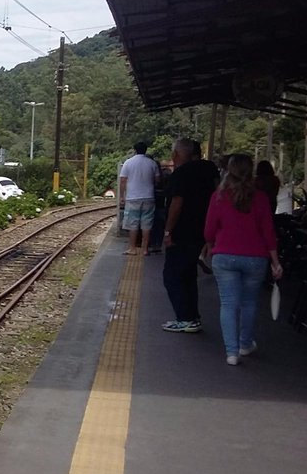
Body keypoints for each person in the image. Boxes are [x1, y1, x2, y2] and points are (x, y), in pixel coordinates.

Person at [204, 154, 283, 365]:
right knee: (249, 303)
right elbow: (268, 232)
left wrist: (212, 249)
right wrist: (276, 262)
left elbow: (209, 230)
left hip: (225, 256)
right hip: (256, 258)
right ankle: (245, 344)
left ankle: (232, 353)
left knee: (228, 304)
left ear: (229, 171)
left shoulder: (219, 196)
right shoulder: (260, 198)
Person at [159, 139, 219, 333]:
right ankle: (192, 318)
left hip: (182, 232)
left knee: (172, 275)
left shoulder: (181, 174)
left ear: (176, 155)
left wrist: (168, 232)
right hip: (202, 230)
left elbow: (176, 203)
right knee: (189, 275)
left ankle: (185, 318)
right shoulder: (210, 171)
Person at [119, 141, 161, 255]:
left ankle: (132, 248)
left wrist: (121, 196)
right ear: (146, 150)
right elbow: (158, 180)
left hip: (132, 197)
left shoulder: (128, 163)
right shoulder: (152, 163)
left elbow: (123, 180)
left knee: (133, 224)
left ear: (135, 150)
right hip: (149, 197)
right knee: (146, 224)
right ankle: (145, 249)